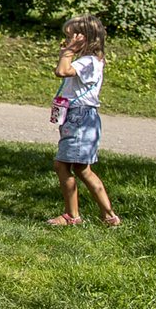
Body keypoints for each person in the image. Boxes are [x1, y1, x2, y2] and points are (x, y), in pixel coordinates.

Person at [48, 14, 120, 226]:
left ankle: (73, 216)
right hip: (78, 117)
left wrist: (67, 52)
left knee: (63, 165)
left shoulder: (89, 61)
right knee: (81, 169)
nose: (66, 42)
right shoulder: (89, 60)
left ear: (84, 38)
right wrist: (69, 51)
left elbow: (61, 71)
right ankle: (108, 216)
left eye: (70, 37)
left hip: (80, 117)